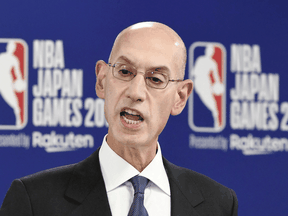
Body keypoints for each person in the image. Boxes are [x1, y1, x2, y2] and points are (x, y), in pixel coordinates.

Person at [0, 22, 238, 216]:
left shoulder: (218, 204)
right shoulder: (34, 200)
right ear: (102, 80)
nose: (135, 92)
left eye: (155, 79)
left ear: (180, 97)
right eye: (125, 72)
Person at [0, 41, 25, 127]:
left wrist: (20, 82)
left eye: (13, 48)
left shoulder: (14, 59)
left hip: (7, 81)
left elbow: (18, 74)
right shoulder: (1, 56)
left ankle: (18, 121)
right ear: (7, 47)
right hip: (2, 80)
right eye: (10, 47)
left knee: (15, 102)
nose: (11, 49)